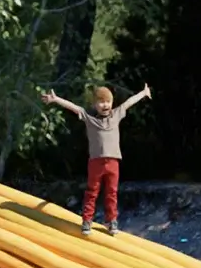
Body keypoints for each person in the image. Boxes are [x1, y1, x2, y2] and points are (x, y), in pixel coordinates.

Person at [40, 83, 152, 236]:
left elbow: (129, 102)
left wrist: (143, 93)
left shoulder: (116, 114)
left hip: (113, 162)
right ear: (95, 104)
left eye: (107, 101)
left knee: (111, 192)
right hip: (96, 162)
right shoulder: (90, 118)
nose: (105, 105)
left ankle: (111, 220)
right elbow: (74, 107)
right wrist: (56, 99)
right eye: (101, 102)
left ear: (111, 103)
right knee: (92, 192)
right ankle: (87, 221)